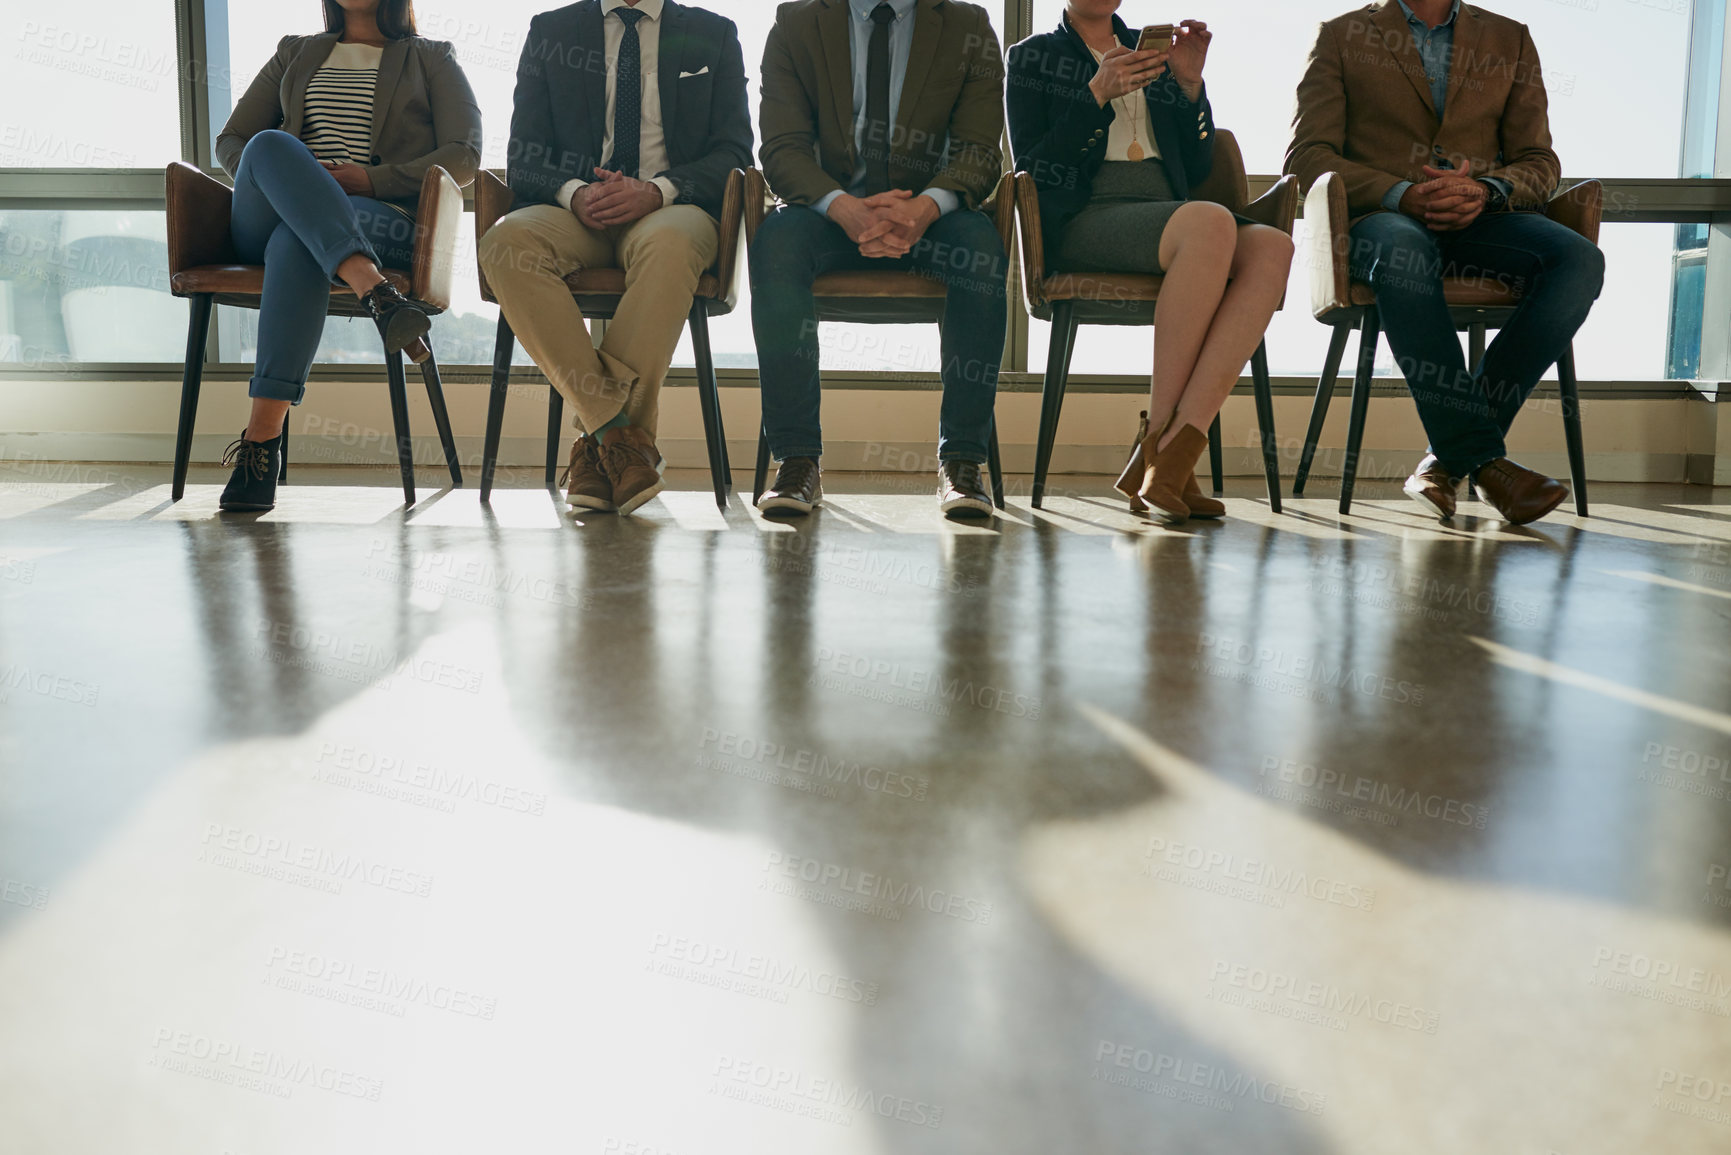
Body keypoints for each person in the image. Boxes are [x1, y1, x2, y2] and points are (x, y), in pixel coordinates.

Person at [1287, 0, 1604, 525]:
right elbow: (1307, 155)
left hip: (1484, 215)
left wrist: (1486, 189)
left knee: (1578, 260)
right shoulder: (1342, 34)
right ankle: (1482, 459)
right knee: (1404, 252)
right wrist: (1401, 193)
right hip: (1384, 220)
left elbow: (1539, 160)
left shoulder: (1511, 38)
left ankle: (1450, 459)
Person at [1009, 4, 1294, 525]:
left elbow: (1200, 163)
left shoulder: (1154, 50)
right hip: (1088, 216)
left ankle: (1168, 453)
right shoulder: (1033, 57)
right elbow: (1034, 166)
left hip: (1171, 214)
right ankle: (1165, 454)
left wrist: (1189, 85)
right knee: (1209, 223)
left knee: (1274, 247)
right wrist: (1095, 94)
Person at [481, 0, 752, 516]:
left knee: (670, 245)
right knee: (504, 241)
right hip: (574, 209)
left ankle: (593, 448)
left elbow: (735, 153)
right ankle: (617, 439)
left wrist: (658, 190)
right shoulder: (551, 29)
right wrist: (575, 193)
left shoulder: (713, 33)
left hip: (671, 208)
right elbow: (524, 155)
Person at [210, 0, 481, 513]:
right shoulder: (294, 53)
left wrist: (370, 178)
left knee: (298, 243)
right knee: (268, 145)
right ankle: (376, 291)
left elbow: (464, 154)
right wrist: (296, 182)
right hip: (272, 211)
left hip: (377, 217)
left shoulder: (431, 58)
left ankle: (260, 444)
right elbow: (232, 141)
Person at [751, 0, 1008, 519]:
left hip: (931, 213)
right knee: (776, 243)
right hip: (828, 214)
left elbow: (980, 152)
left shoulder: (968, 25)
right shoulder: (797, 23)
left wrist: (923, 208)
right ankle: (797, 460)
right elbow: (782, 148)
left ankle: (962, 464)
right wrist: (842, 207)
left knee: (980, 248)